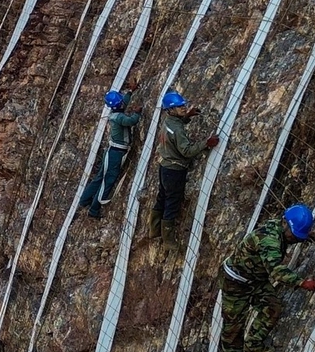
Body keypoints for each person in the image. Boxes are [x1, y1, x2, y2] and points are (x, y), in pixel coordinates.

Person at [217, 204, 315, 352]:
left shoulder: (280, 227)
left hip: (255, 280)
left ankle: (253, 345)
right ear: (286, 225)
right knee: (233, 325)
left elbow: (289, 237)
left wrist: (304, 236)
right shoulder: (270, 240)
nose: (295, 240)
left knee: (272, 307)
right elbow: (276, 271)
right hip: (234, 281)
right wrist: (301, 282)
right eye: (295, 236)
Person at [152, 91, 216, 242]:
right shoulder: (177, 130)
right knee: (172, 202)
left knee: (162, 196)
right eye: (179, 107)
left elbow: (176, 127)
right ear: (170, 110)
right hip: (175, 170)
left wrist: (187, 116)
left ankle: (154, 229)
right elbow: (186, 151)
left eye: (183, 105)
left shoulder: (168, 121)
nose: (183, 108)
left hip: (165, 167)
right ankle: (168, 241)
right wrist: (206, 143)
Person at [78, 88, 140, 218]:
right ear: (119, 104)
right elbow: (131, 121)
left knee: (100, 178)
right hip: (116, 154)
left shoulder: (115, 114)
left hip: (112, 152)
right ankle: (94, 209)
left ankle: (84, 200)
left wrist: (130, 92)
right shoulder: (119, 118)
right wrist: (137, 113)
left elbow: (123, 103)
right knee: (108, 180)